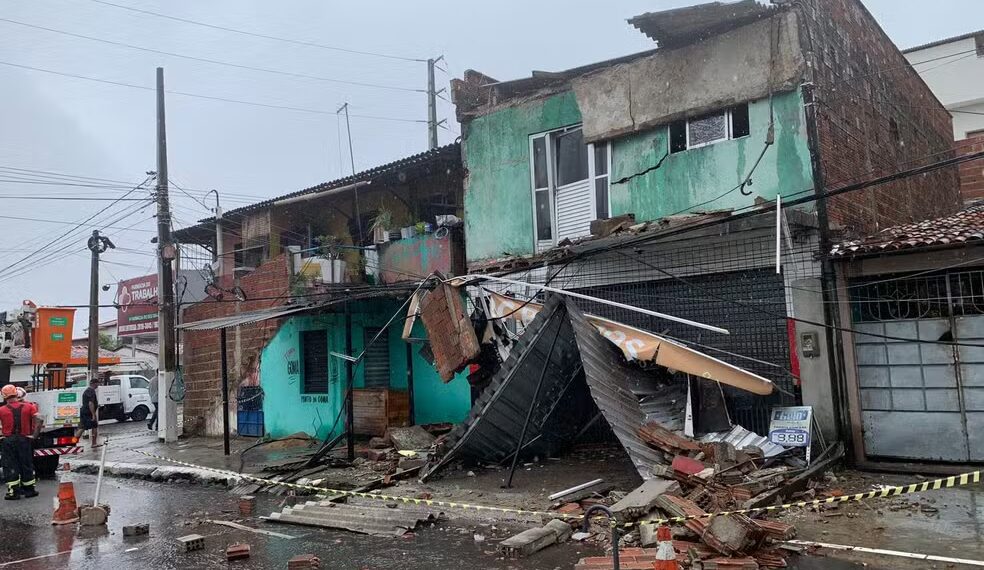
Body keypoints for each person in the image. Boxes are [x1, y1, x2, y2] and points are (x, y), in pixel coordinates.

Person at [0, 384, 41, 500]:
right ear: (16, 393)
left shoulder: (1, 410)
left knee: (10, 465)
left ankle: (14, 492)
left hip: (8, 441)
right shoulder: (29, 407)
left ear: (4, 396)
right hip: (25, 439)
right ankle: (29, 490)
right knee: (26, 464)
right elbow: (40, 419)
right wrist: (34, 435)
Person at [75, 374, 101, 448]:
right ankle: (94, 443)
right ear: (94, 384)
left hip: (85, 412)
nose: (98, 385)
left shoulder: (88, 390)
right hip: (88, 413)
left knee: (82, 428)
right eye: (97, 383)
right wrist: (93, 414)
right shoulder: (91, 391)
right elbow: (90, 403)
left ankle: (73, 444)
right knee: (93, 427)